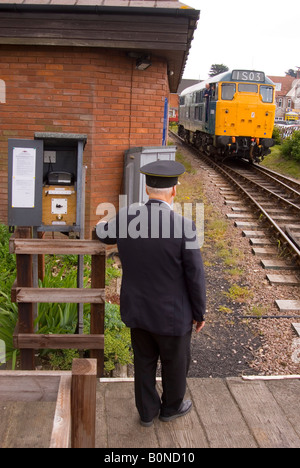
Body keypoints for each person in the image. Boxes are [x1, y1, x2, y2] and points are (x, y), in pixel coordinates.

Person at [96, 160, 206, 427]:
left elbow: (101, 233)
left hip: (138, 310)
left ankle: (146, 412)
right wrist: (199, 312)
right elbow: (195, 276)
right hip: (173, 315)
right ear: (174, 191)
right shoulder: (185, 227)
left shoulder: (126, 217)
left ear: (147, 189)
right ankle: (171, 407)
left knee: (143, 361)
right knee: (175, 363)